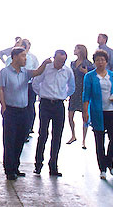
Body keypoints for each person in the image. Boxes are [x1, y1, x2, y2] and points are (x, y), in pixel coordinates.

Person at [0, 48, 50, 180]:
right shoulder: (4, 72)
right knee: (10, 140)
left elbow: (37, 72)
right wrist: (3, 106)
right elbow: (0, 89)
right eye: (23, 56)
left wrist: (44, 63)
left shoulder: (25, 73)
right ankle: (9, 169)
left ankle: (16, 166)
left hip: (23, 110)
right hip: (10, 110)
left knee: (20, 139)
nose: (25, 59)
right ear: (14, 57)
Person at [32, 49, 74, 177]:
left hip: (59, 105)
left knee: (57, 135)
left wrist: (63, 95)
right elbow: (35, 83)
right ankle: (38, 164)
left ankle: (53, 165)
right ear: (54, 58)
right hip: (45, 104)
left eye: (63, 61)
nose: (61, 63)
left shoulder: (67, 71)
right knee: (43, 133)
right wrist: (42, 94)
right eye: (59, 60)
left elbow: (71, 87)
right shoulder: (46, 68)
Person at [82, 50, 113, 179]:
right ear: (94, 62)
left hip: (111, 111)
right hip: (97, 112)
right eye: (98, 60)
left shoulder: (112, 75)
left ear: (106, 61)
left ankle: (110, 162)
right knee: (99, 140)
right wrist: (85, 112)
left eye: (102, 60)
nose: (100, 62)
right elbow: (86, 95)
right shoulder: (90, 76)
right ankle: (102, 168)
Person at [67, 44, 92, 148]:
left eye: (76, 49)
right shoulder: (72, 63)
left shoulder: (88, 64)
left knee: (84, 116)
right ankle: (73, 135)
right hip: (74, 90)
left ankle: (84, 139)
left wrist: (86, 72)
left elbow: (91, 76)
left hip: (83, 90)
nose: (74, 50)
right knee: (70, 114)